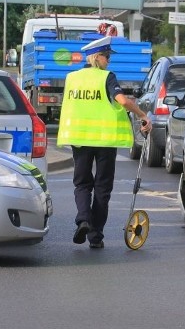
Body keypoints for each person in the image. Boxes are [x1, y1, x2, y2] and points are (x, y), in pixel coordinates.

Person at [57, 36, 151, 249]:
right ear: (97, 57)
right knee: (102, 187)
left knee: (81, 183)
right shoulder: (107, 77)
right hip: (104, 139)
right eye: (106, 57)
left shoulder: (72, 77)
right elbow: (123, 101)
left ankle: (83, 220)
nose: (109, 61)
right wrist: (143, 116)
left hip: (79, 138)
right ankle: (95, 236)